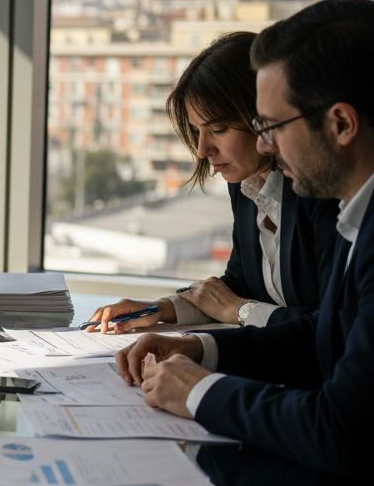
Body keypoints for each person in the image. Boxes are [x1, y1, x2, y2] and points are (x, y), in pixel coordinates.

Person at [117, 0, 374, 475]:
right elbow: (324, 338)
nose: (264, 144)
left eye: (272, 126)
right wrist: (202, 348)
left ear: (341, 123)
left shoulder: (344, 212)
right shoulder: (355, 213)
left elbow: (340, 428)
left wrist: (199, 389)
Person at [86, 31, 337, 333]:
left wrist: (240, 311)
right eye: (197, 131)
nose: (203, 150)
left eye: (218, 129)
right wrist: (160, 309)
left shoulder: (321, 192)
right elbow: (238, 284)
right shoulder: (245, 183)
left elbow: (330, 326)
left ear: (263, 118)